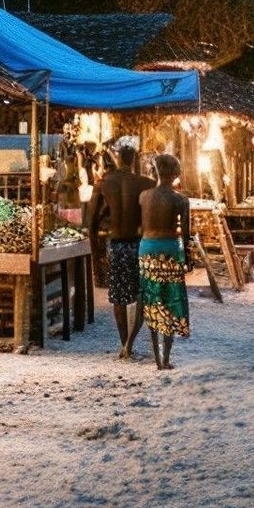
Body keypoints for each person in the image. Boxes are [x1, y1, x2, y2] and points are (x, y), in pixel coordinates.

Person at [86, 144, 156, 359]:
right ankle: (130, 341)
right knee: (141, 293)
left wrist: (94, 254)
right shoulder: (147, 184)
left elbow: (91, 222)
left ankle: (125, 342)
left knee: (118, 296)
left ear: (117, 159)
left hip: (116, 245)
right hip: (140, 244)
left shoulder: (104, 184)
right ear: (134, 160)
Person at [137, 153, 192, 370]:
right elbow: (186, 235)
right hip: (169, 249)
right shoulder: (181, 200)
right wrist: (187, 259)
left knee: (151, 299)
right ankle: (166, 359)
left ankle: (157, 358)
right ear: (176, 173)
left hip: (147, 248)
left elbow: (141, 225)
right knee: (169, 300)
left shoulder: (144, 196)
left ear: (156, 172)